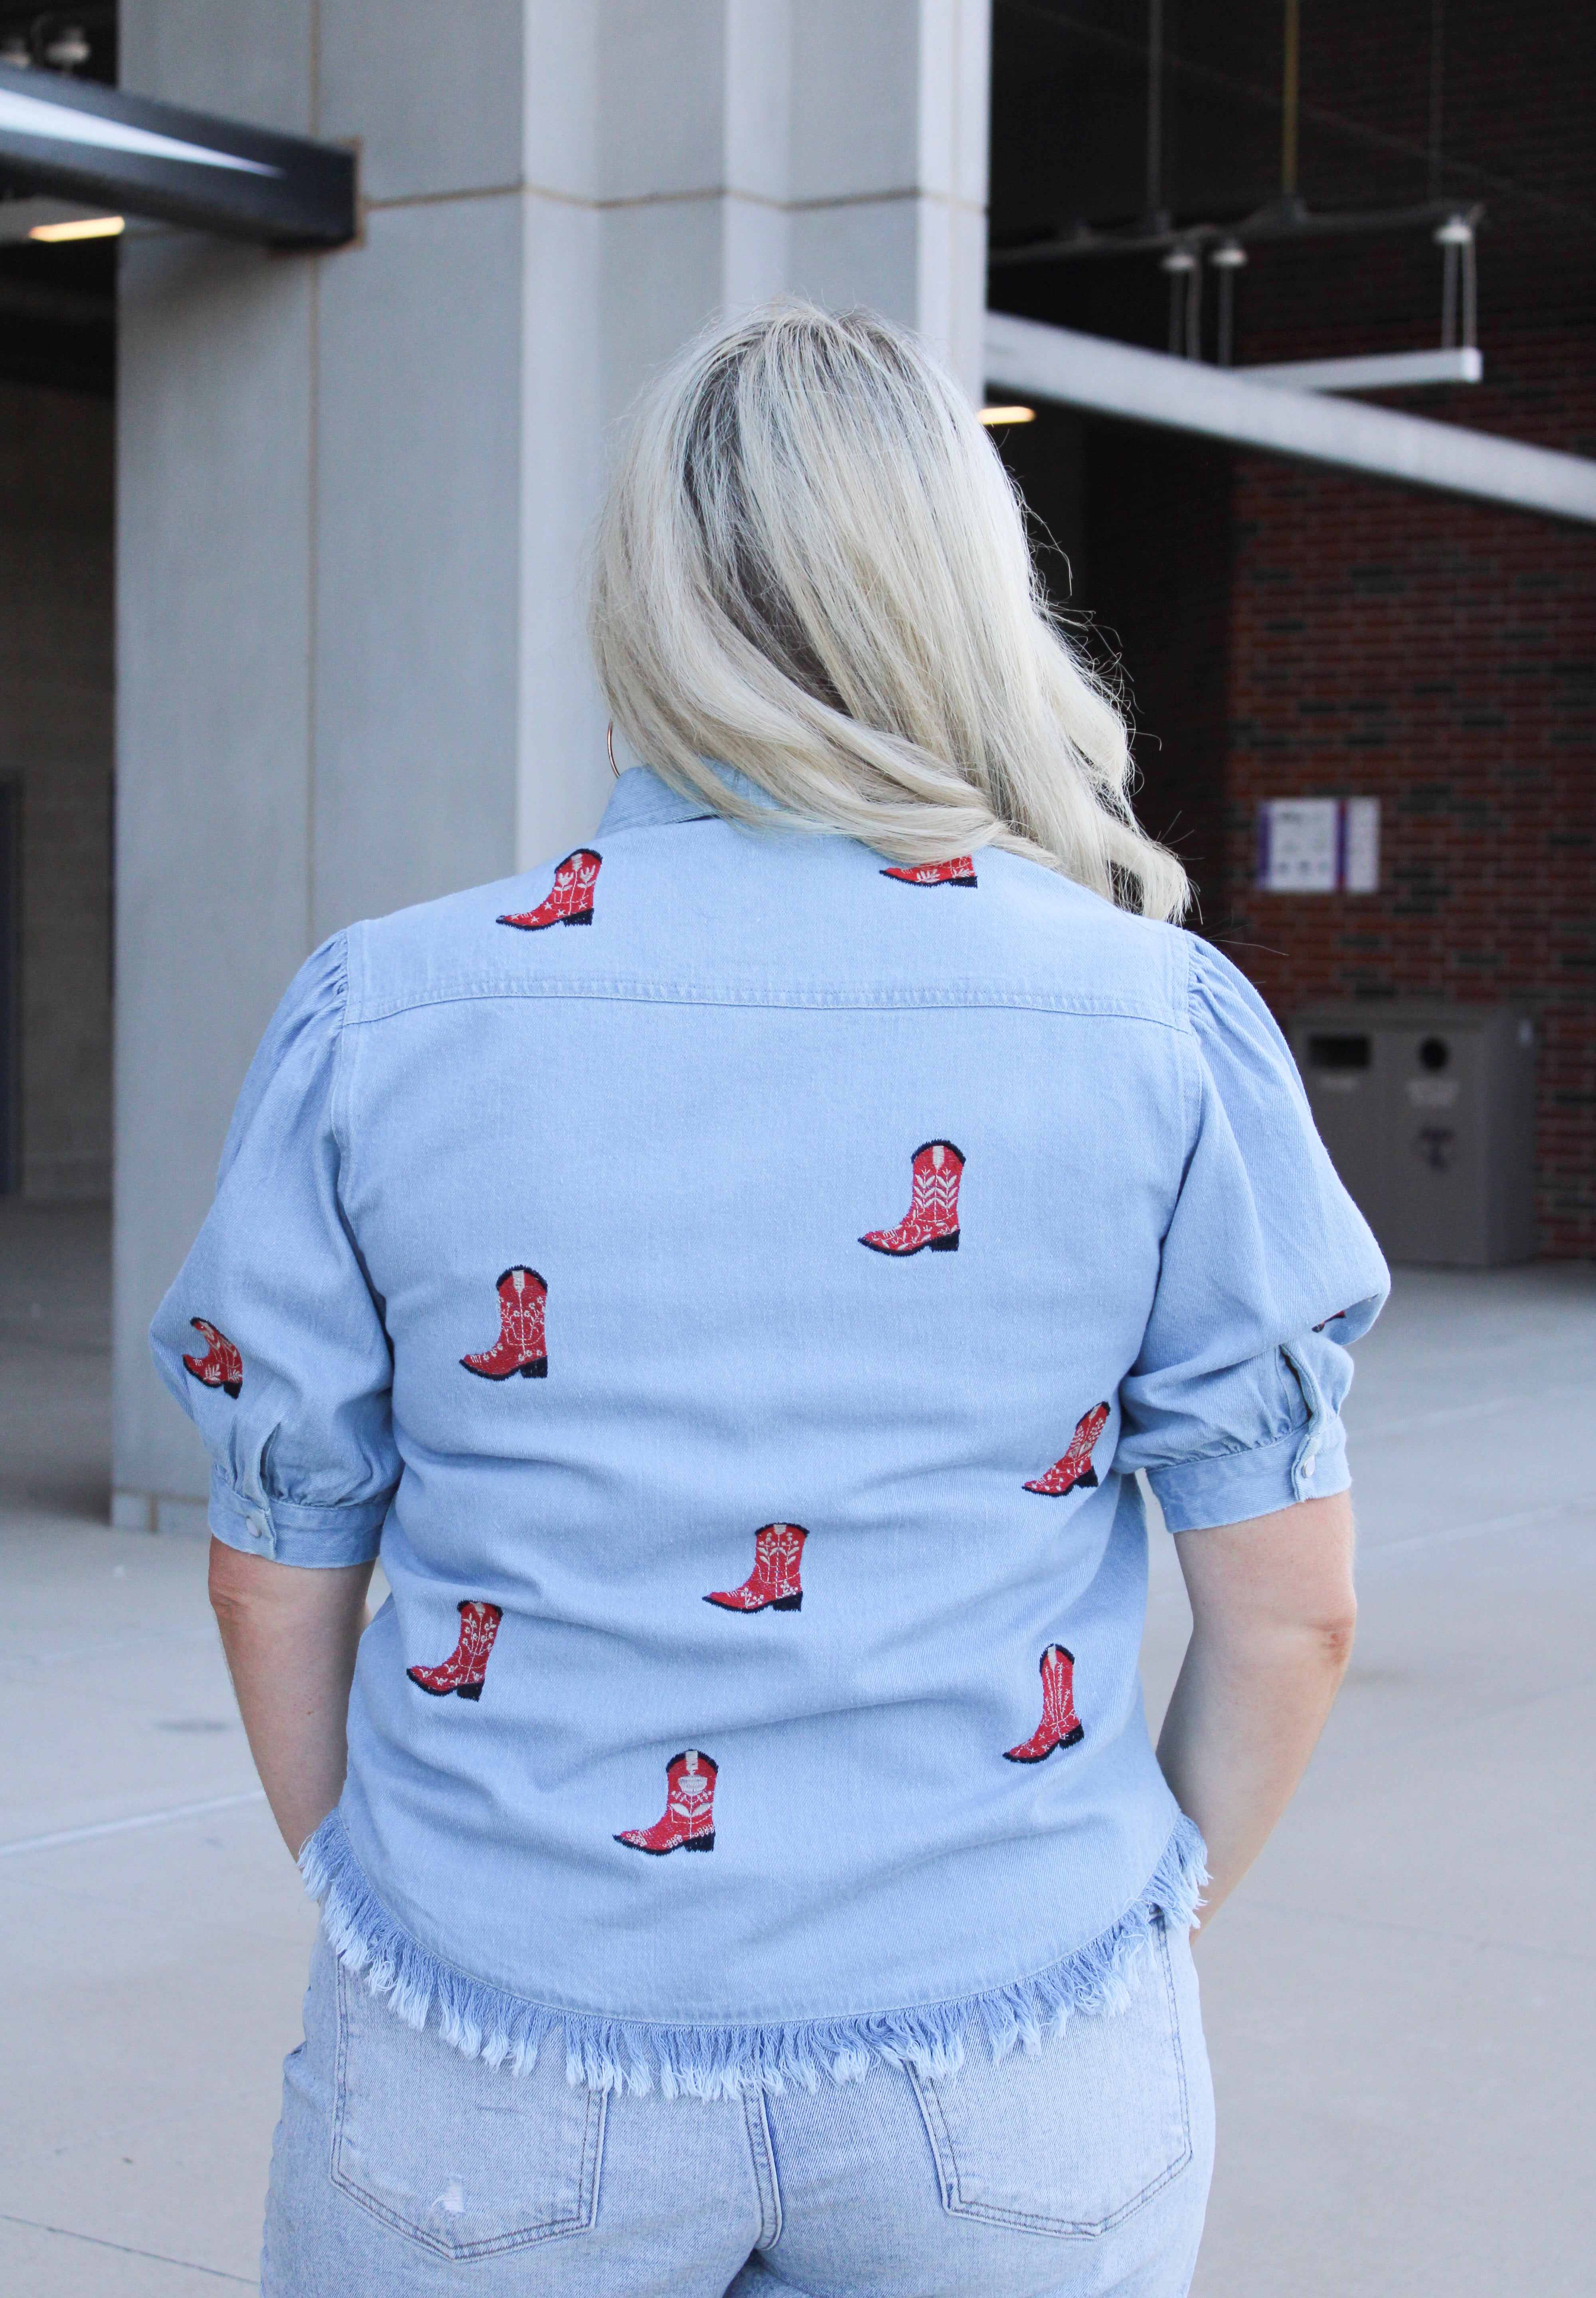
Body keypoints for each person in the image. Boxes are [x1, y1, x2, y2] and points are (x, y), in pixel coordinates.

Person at [154, 301, 1387, 2298]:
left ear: (642, 601)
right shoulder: (1157, 1029)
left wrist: (399, 1908)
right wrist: (1098, 1949)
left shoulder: (391, 1012)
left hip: (500, 2034)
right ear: (971, 597)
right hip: (1014, 2044)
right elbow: (1295, 1613)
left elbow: (268, 1569)